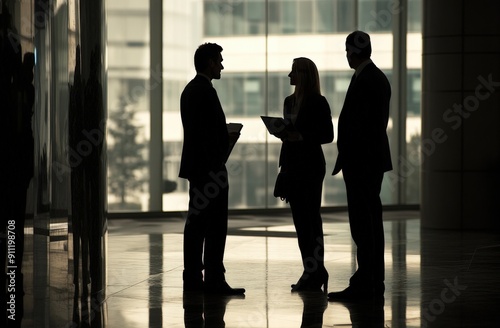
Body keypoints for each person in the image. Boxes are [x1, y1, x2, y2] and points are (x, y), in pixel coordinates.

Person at [328, 31, 392, 301]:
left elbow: (362, 126)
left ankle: (367, 282)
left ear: (351, 52)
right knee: (369, 222)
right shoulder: (373, 77)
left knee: (363, 224)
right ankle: (372, 280)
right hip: (368, 162)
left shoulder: (367, 79)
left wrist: (351, 155)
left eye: (347, 50)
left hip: (362, 163)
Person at [179, 43, 244, 295]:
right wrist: (225, 139)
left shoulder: (190, 90)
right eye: (218, 61)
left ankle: (194, 278)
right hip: (211, 170)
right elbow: (208, 134)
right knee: (215, 226)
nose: (222, 66)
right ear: (209, 62)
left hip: (198, 169)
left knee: (196, 224)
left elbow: (197, 132)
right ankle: (213, 279)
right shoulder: (205, 91)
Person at [274, 57, 333, 292]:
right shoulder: (289, 102)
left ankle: (315, 270)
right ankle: (313, 270)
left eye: (294, 71)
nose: (290, 76)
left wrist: (301, 136)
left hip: (310, 167)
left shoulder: (318, 102)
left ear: (304, 75)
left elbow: (327, 135)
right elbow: (292, 132)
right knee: (301, 223)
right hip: (292, 166)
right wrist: (283, 133)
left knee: (311, 221)